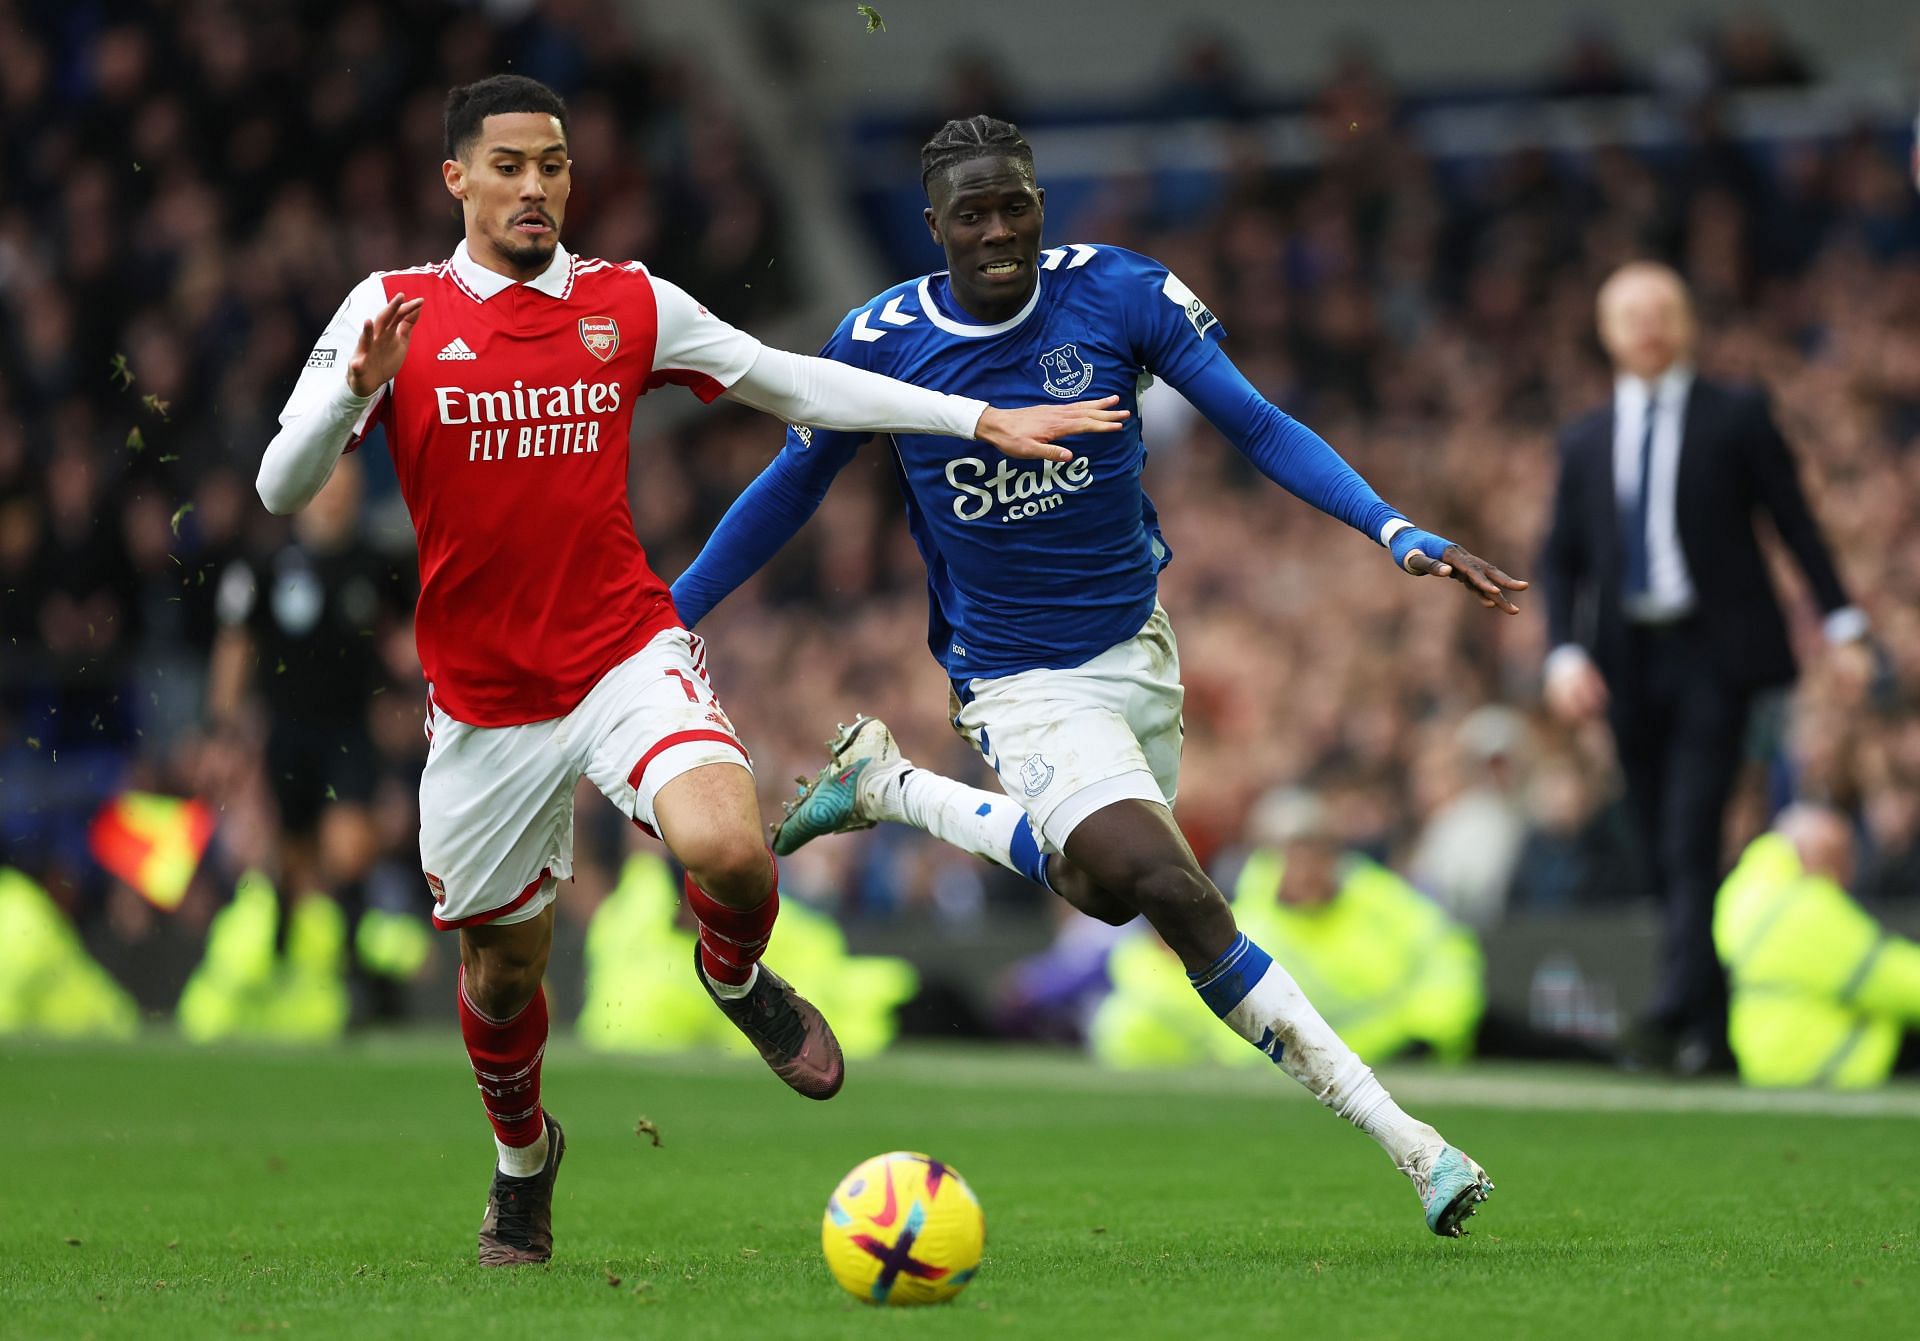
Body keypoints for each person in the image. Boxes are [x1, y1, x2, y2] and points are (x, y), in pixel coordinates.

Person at [256, 77, 1122, 1269]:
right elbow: (280, 489)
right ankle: (524, 1165)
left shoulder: (626, 303)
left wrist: (968, 421)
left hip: (622, 651)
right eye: (507, 165)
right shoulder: (391, 309)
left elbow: (790, 379)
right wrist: (353, 392)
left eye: (553, 164)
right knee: (502, 978)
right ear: (456, 178)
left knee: (727, 846)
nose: (535, 186)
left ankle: (734, 973)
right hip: (487, 704)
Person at [672, 115, 1526, 1238]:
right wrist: (664, 615)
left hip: (1138, 648)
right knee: (1173, 890)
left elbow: (1257, 424)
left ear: (1038, 205)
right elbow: (790, 488)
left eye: (1013, 206)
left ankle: (892, 788)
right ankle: (1412, 1145)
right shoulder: (878, 340)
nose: (995, 233)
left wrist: (1393, 529)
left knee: (1102, 886)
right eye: (969, 215)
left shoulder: (1120, 294)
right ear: (932, 228)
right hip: (1018, 679)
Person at [1539, 261, 1863, 1075]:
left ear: (1686, 323)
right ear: (1607, 331)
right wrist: (1563, 650)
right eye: (1631, 313)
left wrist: (1843, 620)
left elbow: (1795, 523)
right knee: (1656, 840)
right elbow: (1561, 558)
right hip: (1627, 661)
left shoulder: (1738, 414)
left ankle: (1668, 1006)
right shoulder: (1584, 439)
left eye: (1664, 310)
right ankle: (1710, 1035)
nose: (1649, 325)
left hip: (1716, 656)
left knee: (1689, 828)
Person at [1092, 788, 1484, 1070]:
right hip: (1290, 1075)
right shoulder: (1239, 920)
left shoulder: (1383, 900)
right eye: (1295, 852)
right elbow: (1202, 1012)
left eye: (1319, 850)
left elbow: (1449, 958)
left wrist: (1426, 1033)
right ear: (1271, 856)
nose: (1308, 866)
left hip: (1398, 1060)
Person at [1714, 805, 1920, 1088]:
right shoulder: (1805, 908)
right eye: (1841, 860)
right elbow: (1896, 981)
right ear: (1817, 856)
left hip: (1768, 1059)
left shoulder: (1746, 892)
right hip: (1830, 1063)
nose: (1847, 878)